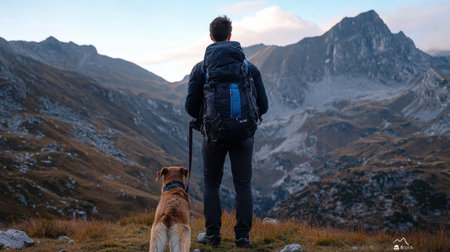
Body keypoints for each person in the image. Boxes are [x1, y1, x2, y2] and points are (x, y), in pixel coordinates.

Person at [185, 15, 268, 248]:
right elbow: (264, 105)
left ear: (211, 37)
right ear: (230, 36)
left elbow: (190, 106)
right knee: (243, 184)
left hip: (214, 135)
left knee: (212, 183)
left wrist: (204, 120)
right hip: (243, 134)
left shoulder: (201, 69)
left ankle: (213, 235)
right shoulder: (249, 68)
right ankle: (242, 237)